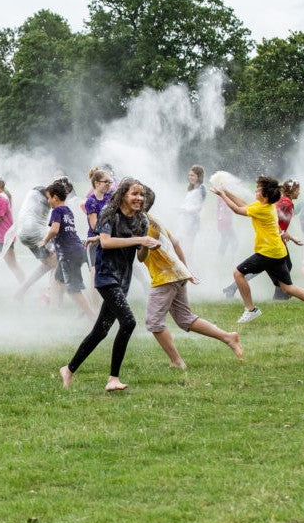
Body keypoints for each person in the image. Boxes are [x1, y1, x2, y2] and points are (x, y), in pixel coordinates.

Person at [59, 178, 161, 392]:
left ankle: (68, 369)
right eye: (135, 194)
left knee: (100, 331)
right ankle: (113, 378)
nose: (139, 199)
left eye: (141, 195)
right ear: (123, 194)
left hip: (123, 278)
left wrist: (148, 244)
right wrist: (139, 241)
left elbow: (140, 257)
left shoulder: (141, 220)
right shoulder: (109, 212)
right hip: (106, 276)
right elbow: (106, 241)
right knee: (129, 322)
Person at [139, 192, 243, 369]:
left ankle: (176, 361)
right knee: (184, 318)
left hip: (166, 277)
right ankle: (228, 337)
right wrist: (186, 270)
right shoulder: (152, 220)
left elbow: (141, 256)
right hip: (176, 273)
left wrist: (139, 244)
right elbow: (176, 243)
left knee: (153, 321)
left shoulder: (146, 226)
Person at [212, 176, 304, 324]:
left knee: (238, 273)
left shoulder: (263, 209)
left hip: (267, 252)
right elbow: (244, 204)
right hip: (277, 251)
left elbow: (238, 210)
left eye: (258, 190)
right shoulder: (265, 206)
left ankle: (251, 310)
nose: (255, 191)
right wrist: (227, 192)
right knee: (287, 288)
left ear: (265, 195)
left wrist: (222, 195)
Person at [39, 180, 96, 320]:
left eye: (49, 197)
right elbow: (65, 231)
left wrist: (44, 241)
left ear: (55, 198)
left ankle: (93, 318)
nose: (48, 200)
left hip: (69, 254)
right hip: (77, 249)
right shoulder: (67, 210)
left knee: (74, 289)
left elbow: (55, 229)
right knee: (59, 280)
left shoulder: (56, 211)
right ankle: (66, 308)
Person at [84, 168, 113, 304]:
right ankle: (93, 307)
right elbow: (95, 225)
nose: (109, 184)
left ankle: (104, 304)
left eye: (110, 181)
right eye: (106, 182)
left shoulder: (109, 197)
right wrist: (106, 231)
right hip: (94, 243)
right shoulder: (91, 201)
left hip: (107, 238)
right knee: (95, 274)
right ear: (96, 183)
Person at [178, 164, 206, 260]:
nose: (190, 177)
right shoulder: (191, 188)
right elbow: (188, 203)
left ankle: (188, 266)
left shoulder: (201, 188)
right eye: (189, 175)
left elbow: (199, 207)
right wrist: (180, 209)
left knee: (188, 246)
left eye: (192, 175)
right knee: (182, 244)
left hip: (193, 222)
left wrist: (185, 210)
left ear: (199, 176)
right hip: (185, 220)